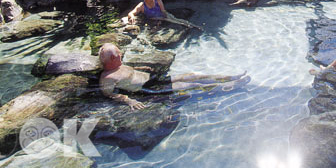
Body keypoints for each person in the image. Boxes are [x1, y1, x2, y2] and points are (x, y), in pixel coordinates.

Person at [99, 43, 249, 110]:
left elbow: (129, 72)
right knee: (192, 85)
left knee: (192, 75)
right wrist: (129, 100)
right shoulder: (107, 79)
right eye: (119, 54)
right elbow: (110, 94)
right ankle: (231, 86)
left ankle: (230, 77)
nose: (121, 54)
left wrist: (140, 68)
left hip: (153, 79)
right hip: (150, 89)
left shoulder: (118, 65)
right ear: (113, 58)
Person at [126, 0, 203, 29]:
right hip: (155, 19)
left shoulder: (158, 0)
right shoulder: (142, 5)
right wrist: (132, 16)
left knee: (178, 20)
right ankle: (193, 27)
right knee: (178, 23)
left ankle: (194, 26)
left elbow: (163, 10)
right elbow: (131, 13)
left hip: (164, 16)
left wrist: (166, 17)